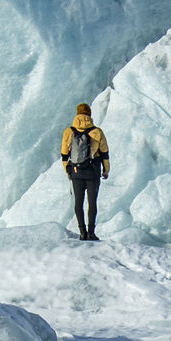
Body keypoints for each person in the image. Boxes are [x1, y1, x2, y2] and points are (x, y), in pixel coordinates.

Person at [61, 102, 109, 241]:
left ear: (77, 114)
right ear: (89, 114)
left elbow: (64, 154)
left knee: (78, 203)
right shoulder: (97, 132)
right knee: (92, 203)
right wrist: (106, 170)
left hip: (76, 172)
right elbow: (104, 153)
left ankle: (82, 232)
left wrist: (68, 171)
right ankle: (91, 233)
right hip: (93, 172)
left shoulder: (68, 132)